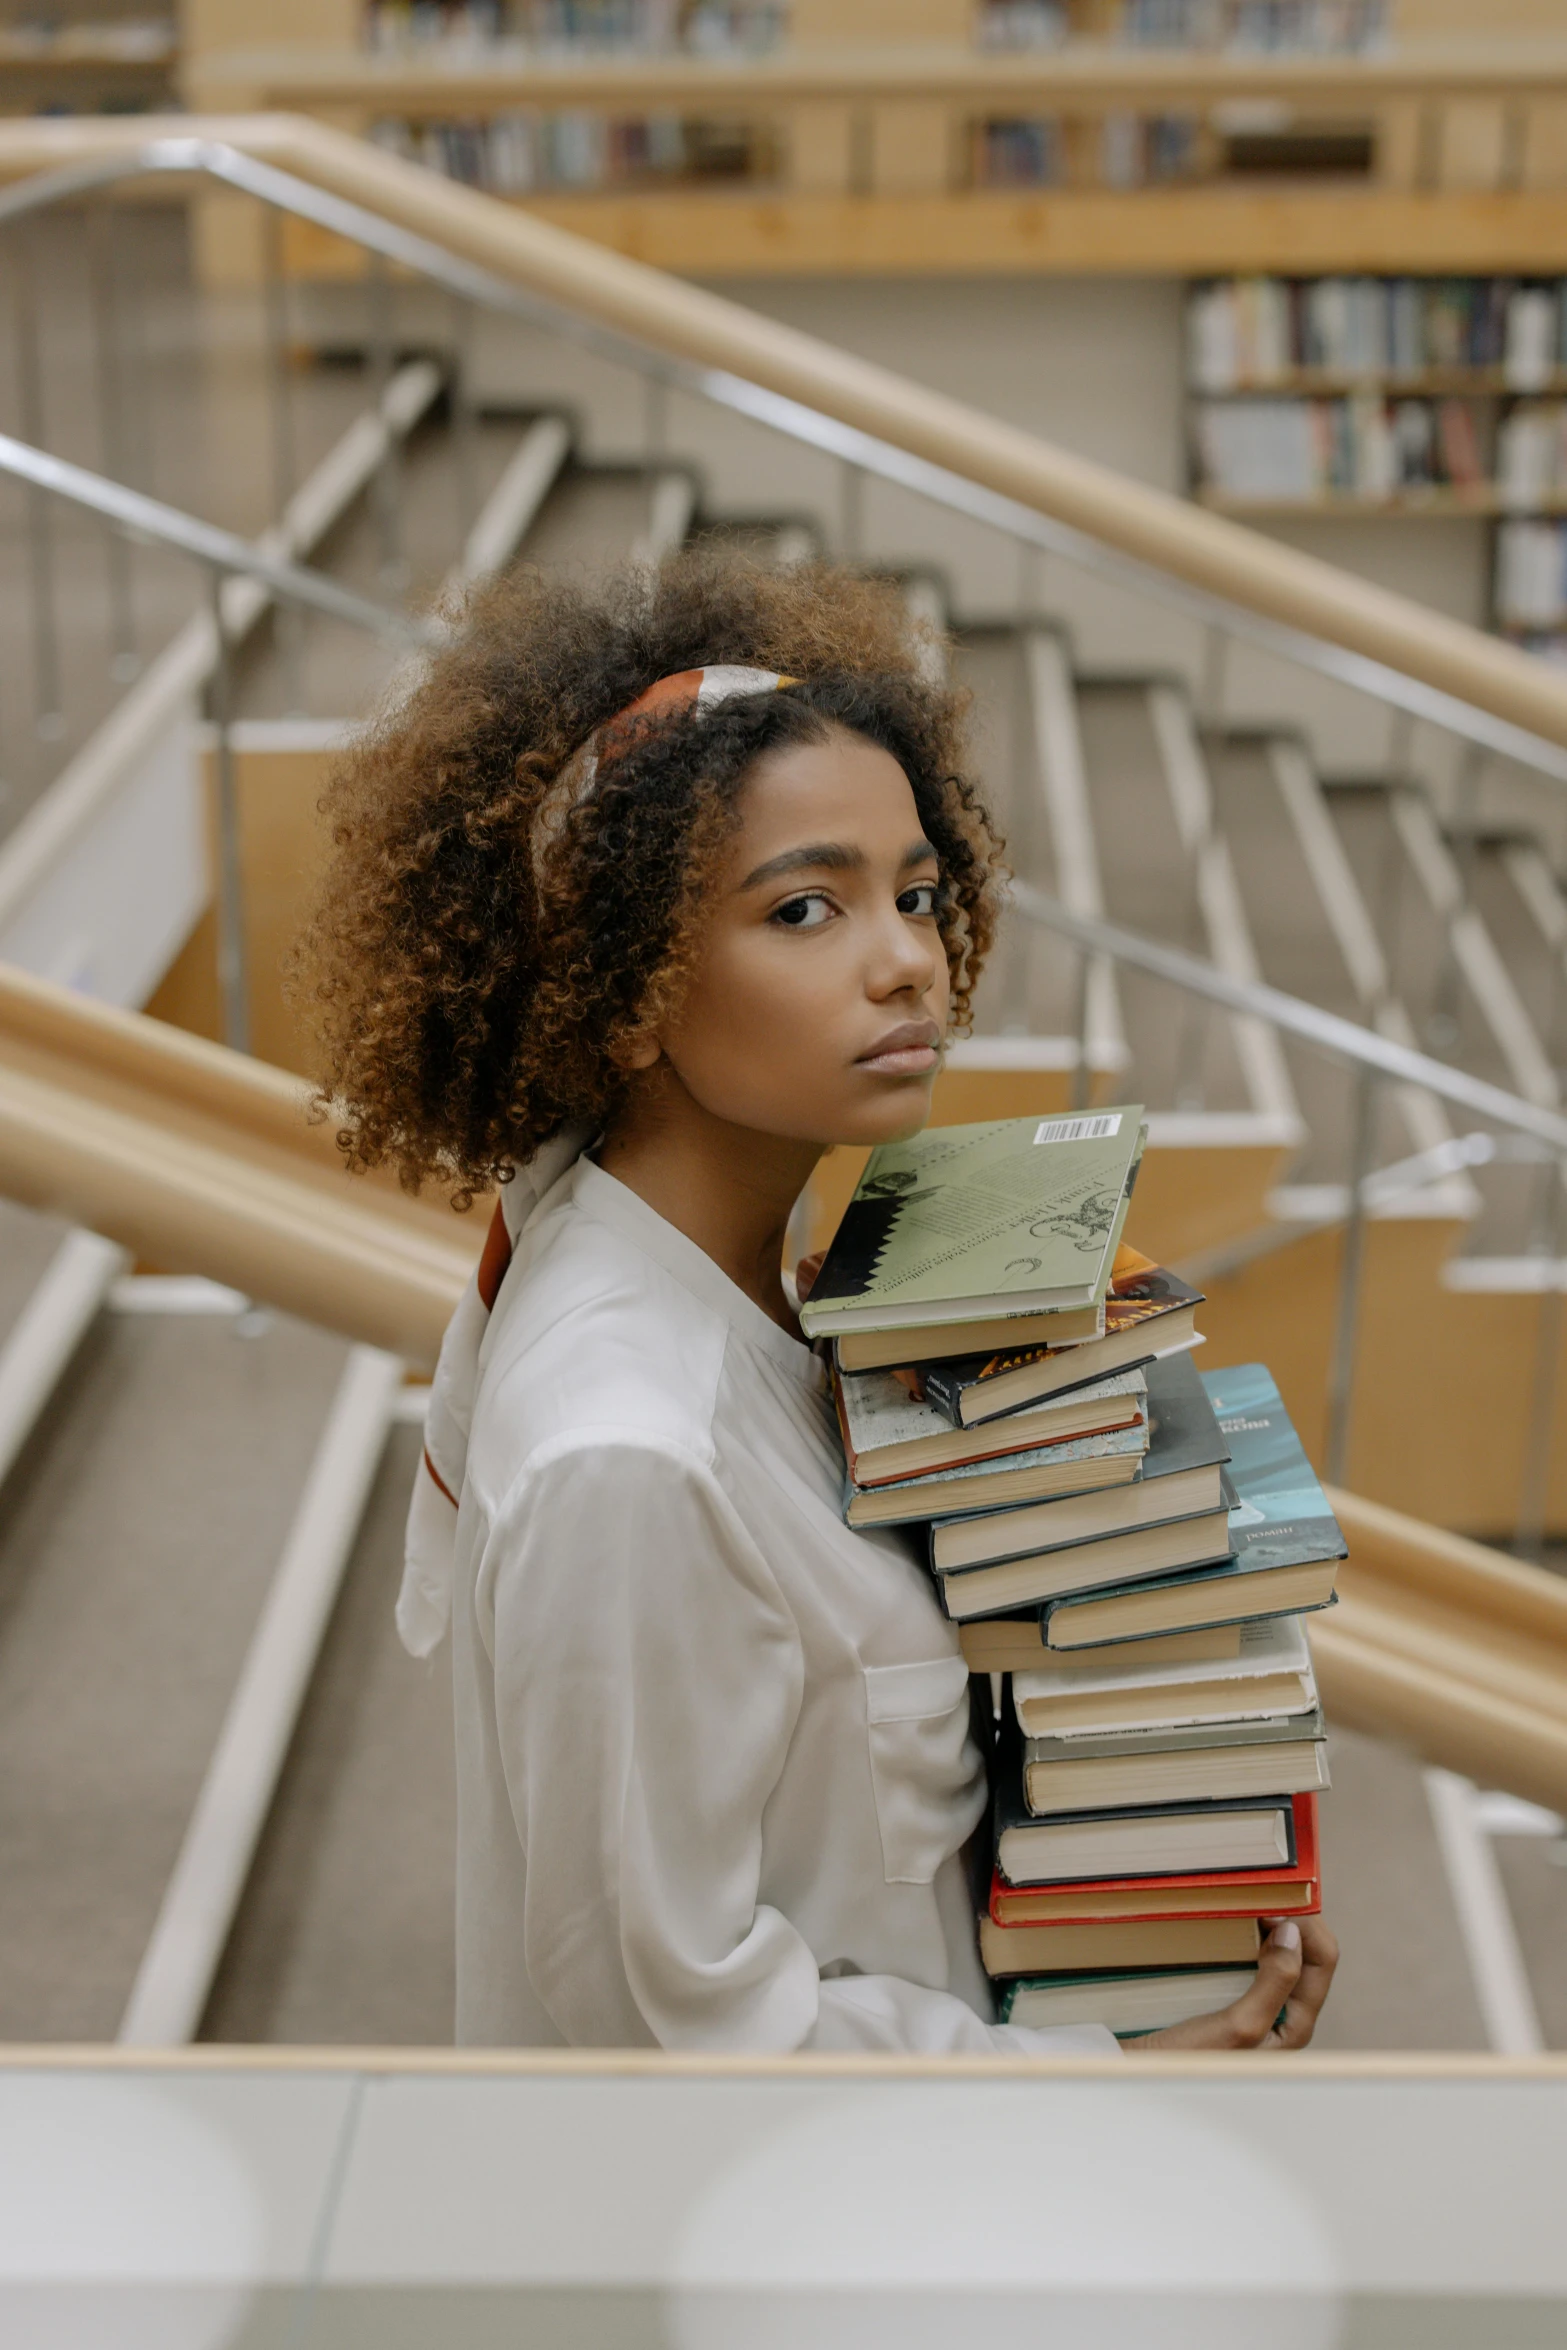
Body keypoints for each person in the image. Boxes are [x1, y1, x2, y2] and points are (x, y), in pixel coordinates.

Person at [299, 552, 1337, 2055]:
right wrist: (1099, 2071)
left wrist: (1191, 1874)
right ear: (625, 990)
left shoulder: (766, 1270)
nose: (906, 958)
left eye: (914, 893)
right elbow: (666, 2026)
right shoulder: (629, 1451)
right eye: (805, 911)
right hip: (792, 2238)